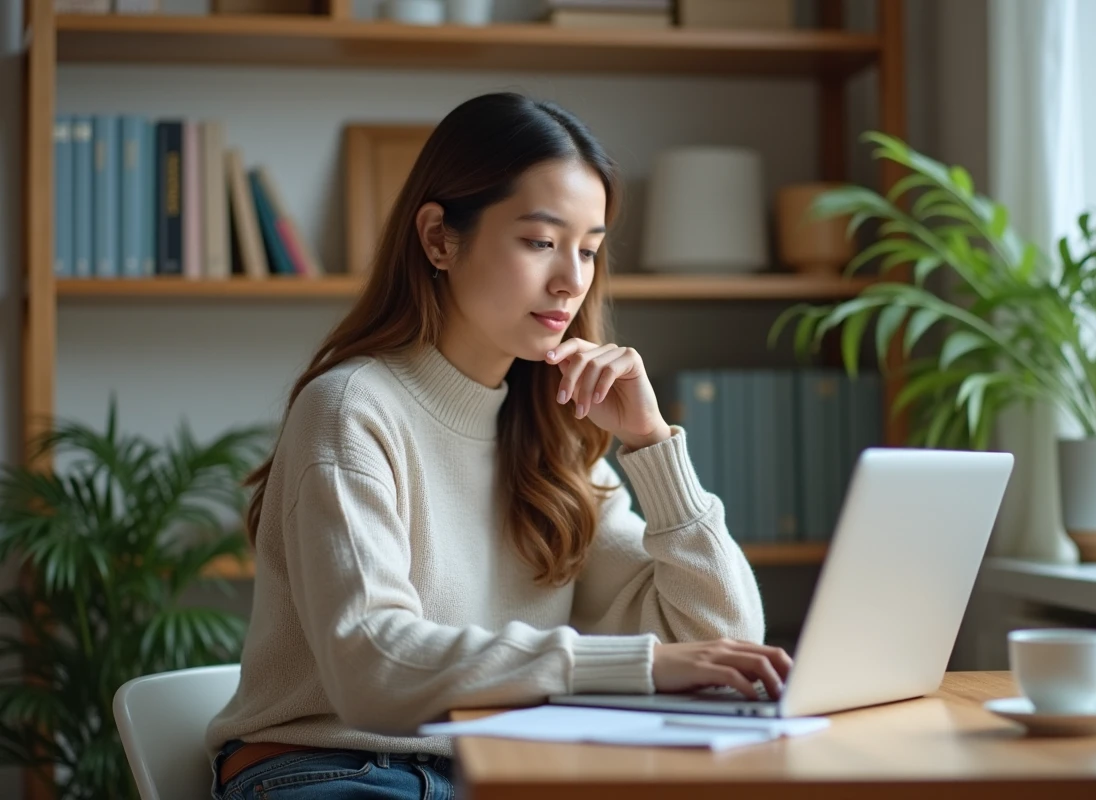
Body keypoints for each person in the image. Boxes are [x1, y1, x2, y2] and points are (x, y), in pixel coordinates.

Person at [206, 92, 789, 800]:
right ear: (438, 239)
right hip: (334, 768)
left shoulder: (552, 437)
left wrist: (651, 443)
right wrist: (633, 666)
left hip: (492, 768)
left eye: (588, 250)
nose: (571, 280)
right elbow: (372, 670)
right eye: (541, 242)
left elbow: (723, 643)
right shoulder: (352, 409)